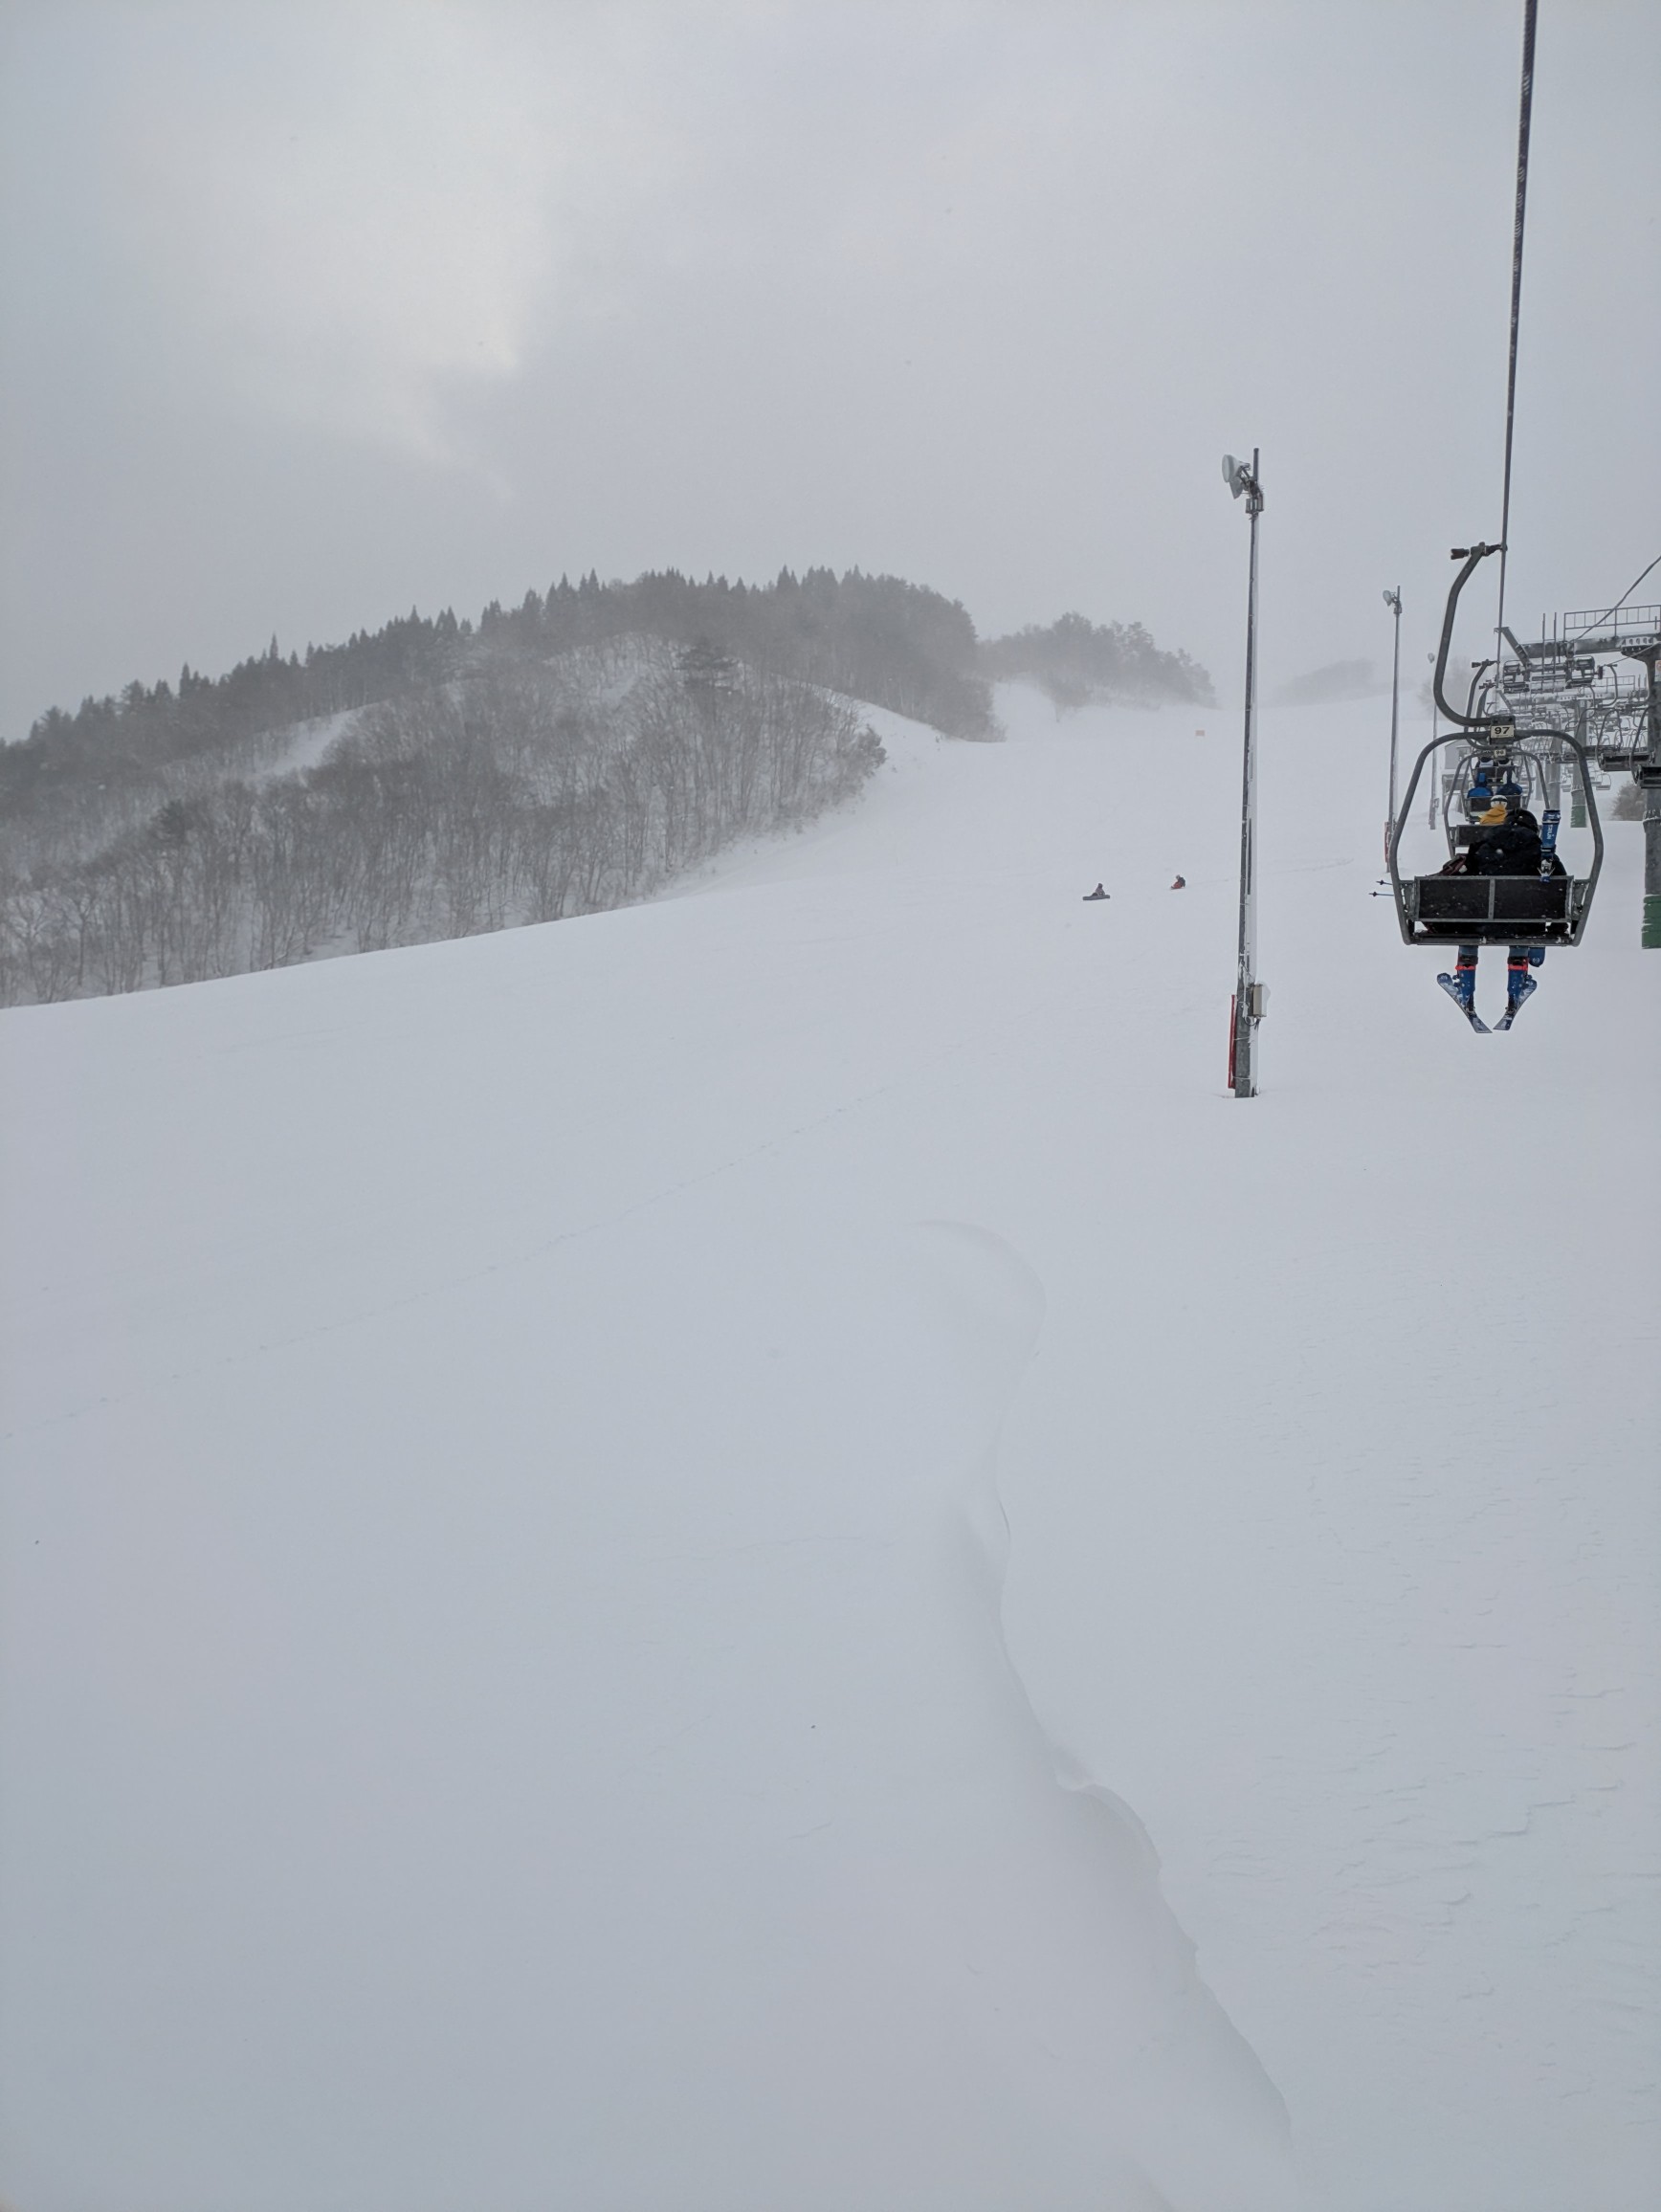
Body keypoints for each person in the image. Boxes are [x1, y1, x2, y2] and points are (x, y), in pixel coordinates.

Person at [1436, 807, 1562, 1022]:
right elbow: (1560, 889)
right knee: (1522, 925)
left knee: (1469, 928)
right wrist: (1558, 926)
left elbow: (1465, 885)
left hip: (1480, 924)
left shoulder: (1481, 846)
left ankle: (1465, 986)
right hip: (1524, 924)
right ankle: (1516, 986)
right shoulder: (1543, 853)